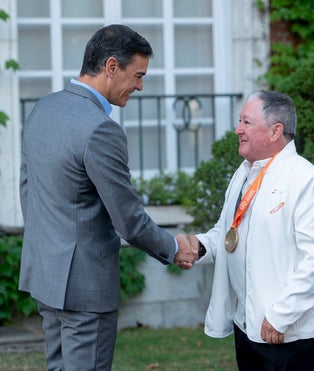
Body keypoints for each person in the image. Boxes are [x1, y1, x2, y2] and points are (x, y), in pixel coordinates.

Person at [19, 24, 196, 371]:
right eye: (138, 75)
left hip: (46, 275)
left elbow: (29, 190)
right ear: (111, 66)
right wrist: (174, 247)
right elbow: (128, 219)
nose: (141, 87)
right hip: (85, 287)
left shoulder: (43, 109)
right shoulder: (101, 129)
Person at [183, 91, 314, 370]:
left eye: (246, 122)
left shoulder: (305, 180)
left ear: (276, 130)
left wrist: (280, 317)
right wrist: (199, 246)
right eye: (240, 121)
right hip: (247, 324)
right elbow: (229, 233)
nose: (237, 129)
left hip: (286, 331)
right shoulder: (244, 172)